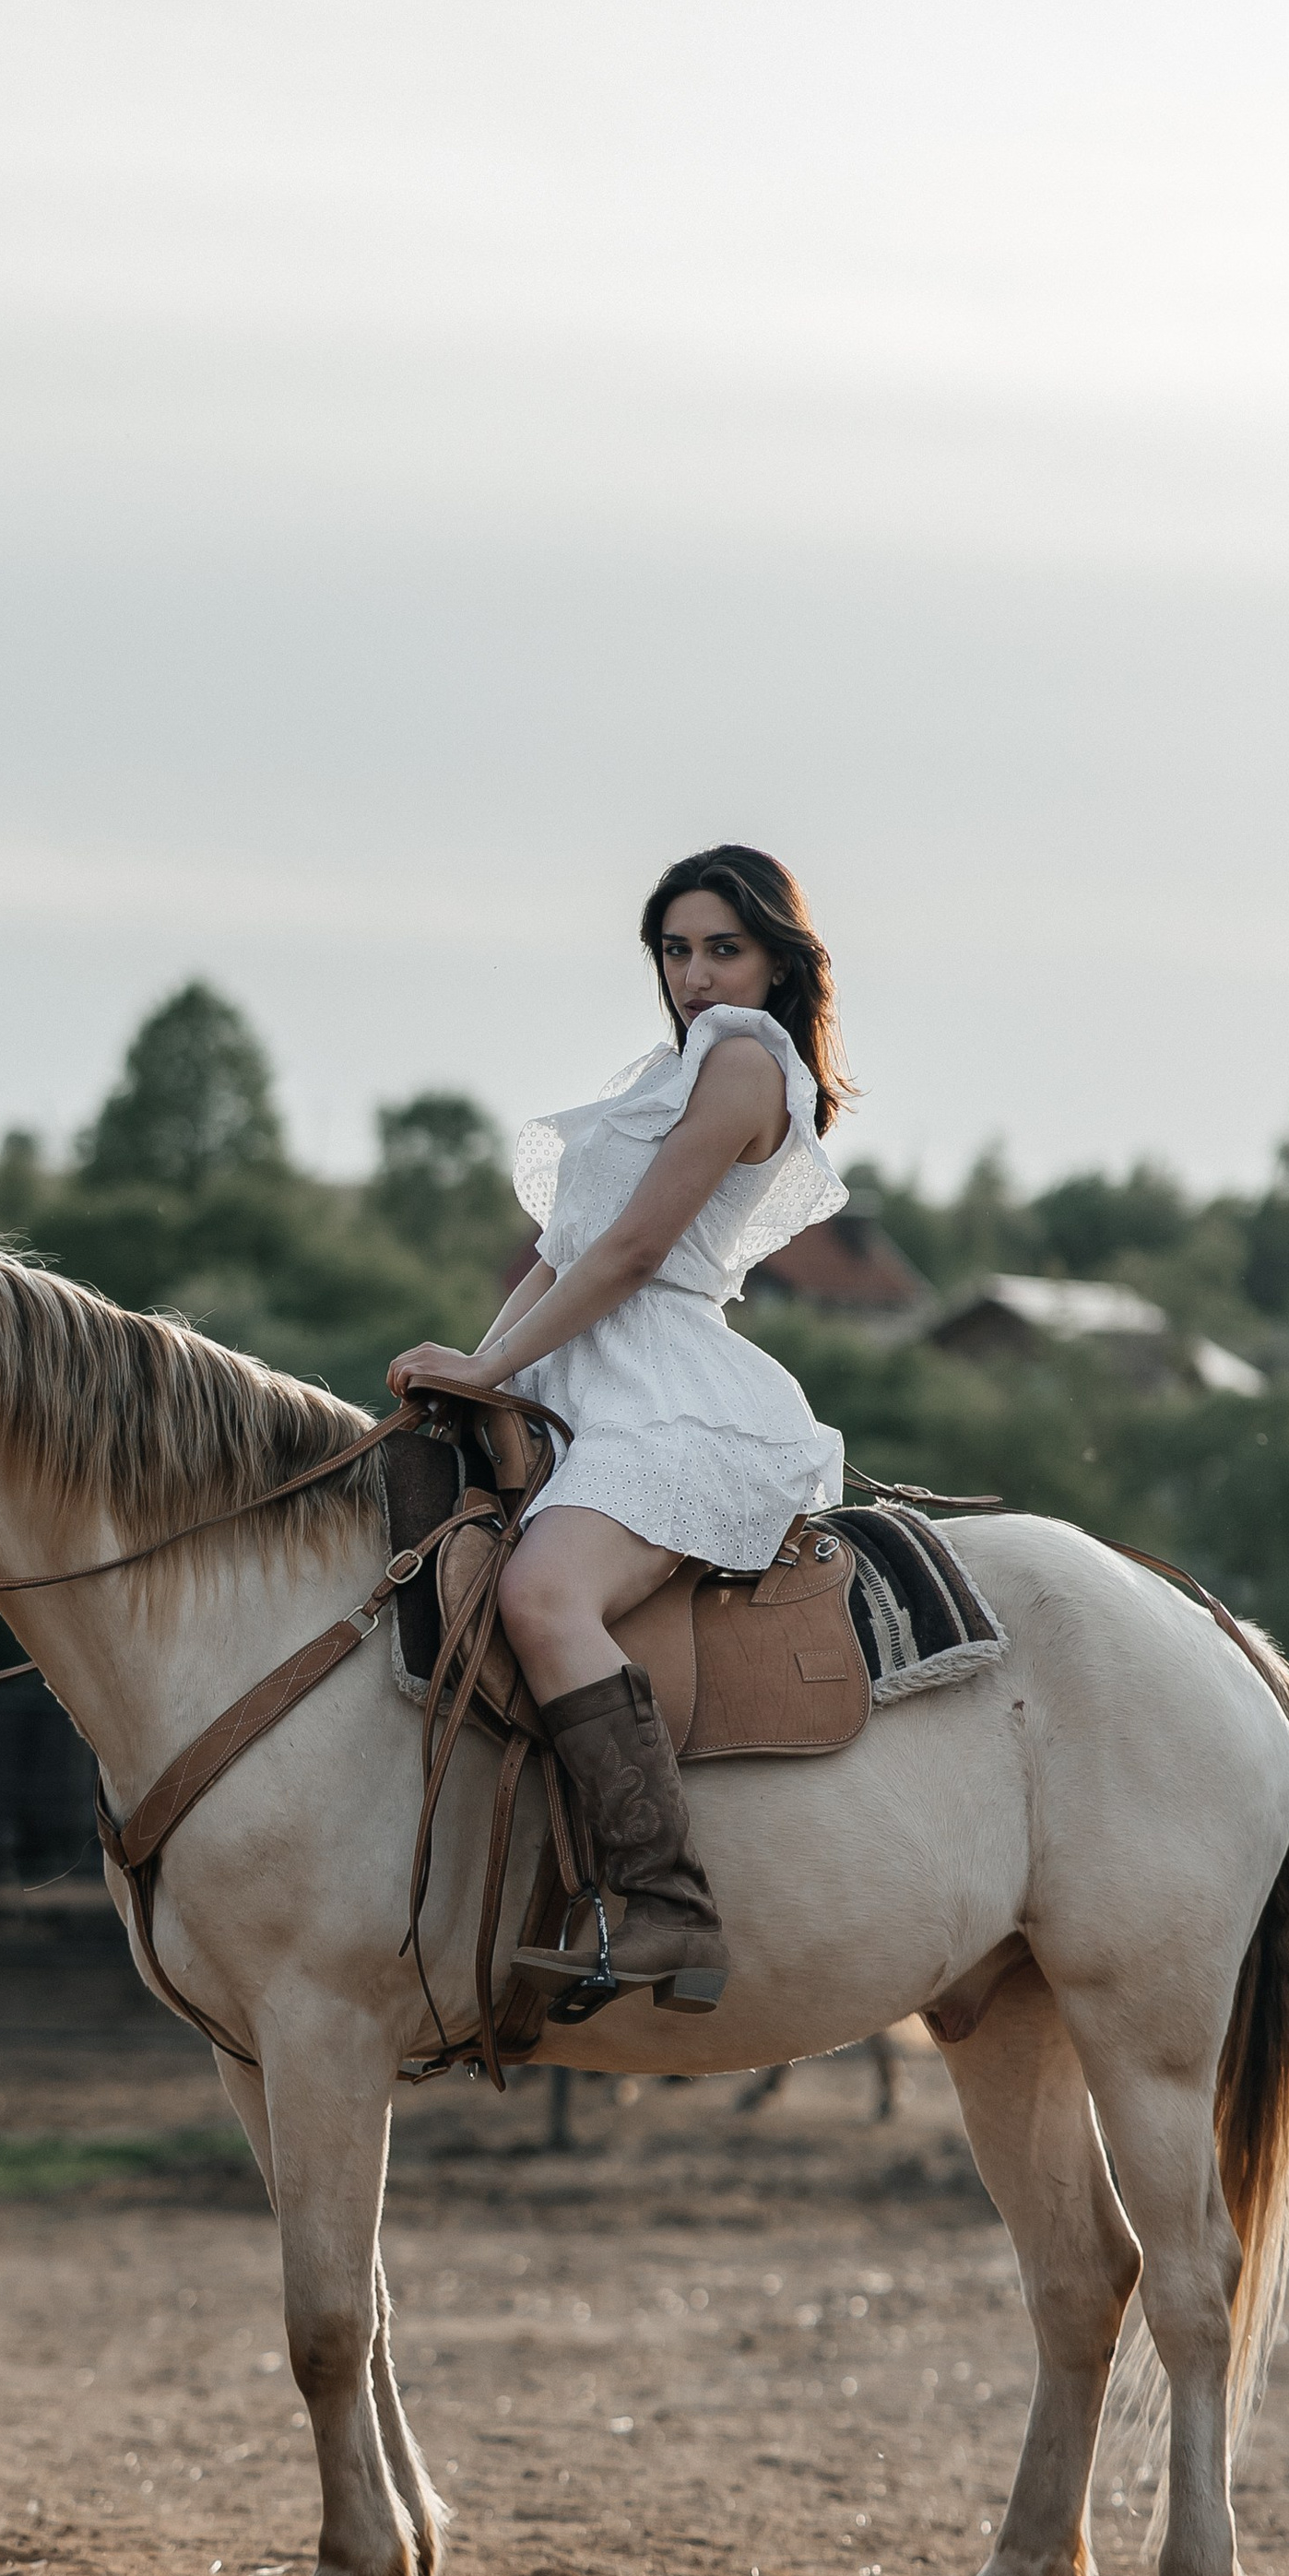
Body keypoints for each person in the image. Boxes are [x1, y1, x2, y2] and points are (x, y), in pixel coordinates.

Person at [385, 846, 854, 2014]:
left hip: (670, 1394)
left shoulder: (745, 1061)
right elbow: (561, 1254)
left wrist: (493, 1366)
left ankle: (669, 1904)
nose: (695, 975)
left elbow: (635, 1253)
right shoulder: (668, 1069)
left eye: (722, 950)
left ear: (776, 960)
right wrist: (480, 1376)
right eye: (675, 950)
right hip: (578, 1379)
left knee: (543, 1596)